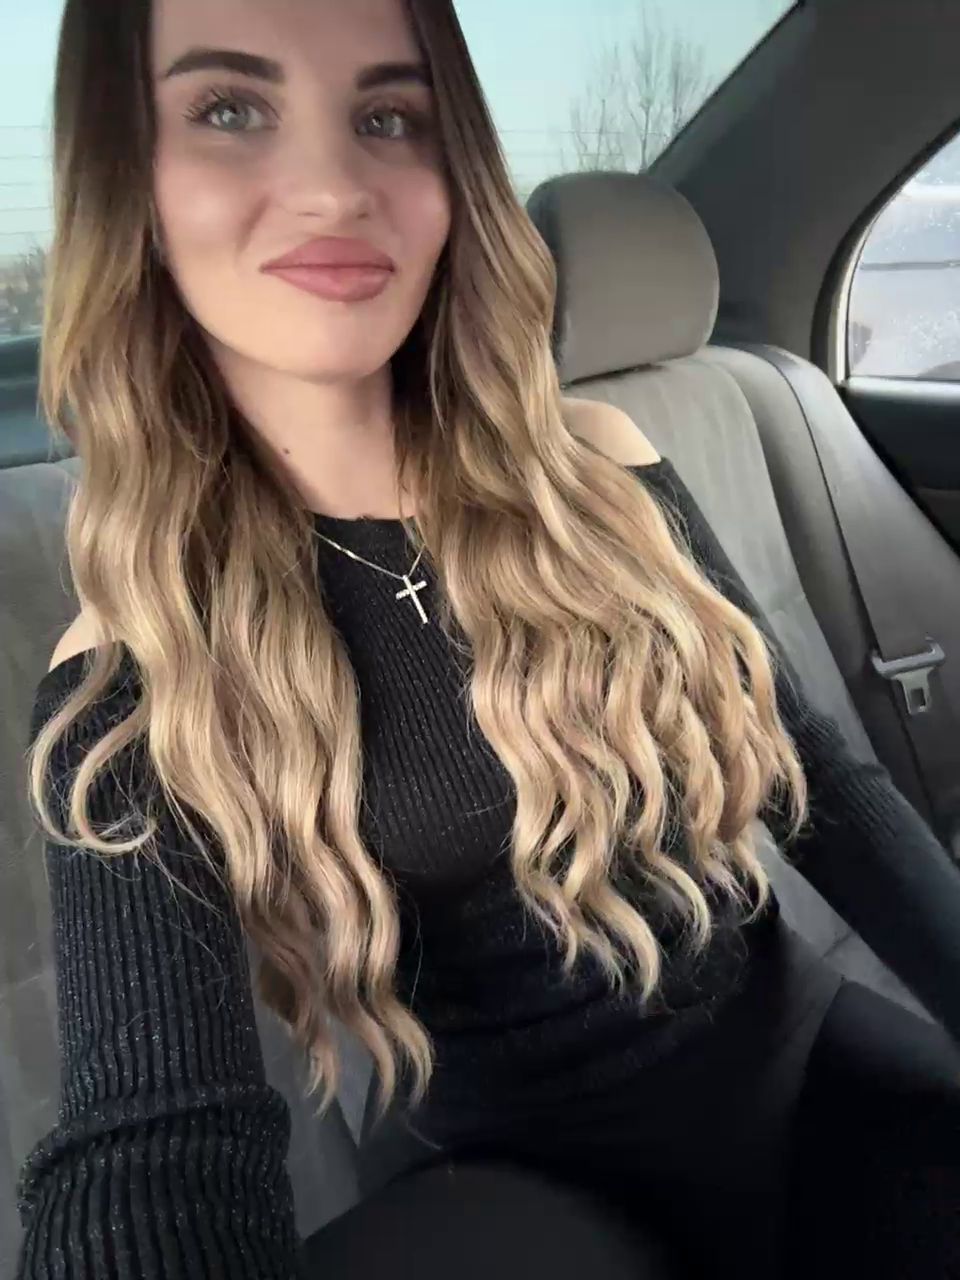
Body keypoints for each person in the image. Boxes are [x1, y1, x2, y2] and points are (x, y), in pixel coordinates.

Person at [14, 0, 960, 1276]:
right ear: (129, 179)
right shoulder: (135, 666)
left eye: (388, 116)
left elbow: (818, 783)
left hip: (808, 1070)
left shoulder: (600, 474)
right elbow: (150, 1144)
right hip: (520, 1191)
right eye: (229, 109)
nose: (333, 185)